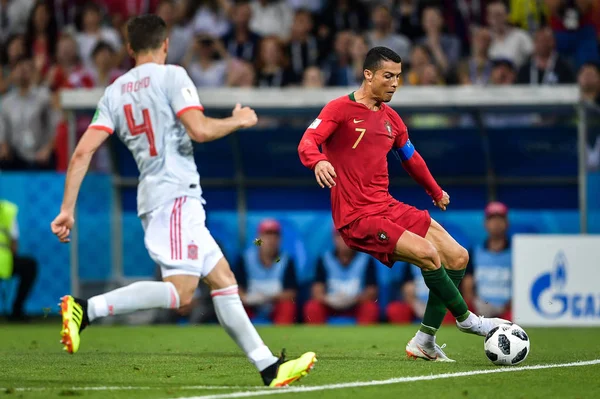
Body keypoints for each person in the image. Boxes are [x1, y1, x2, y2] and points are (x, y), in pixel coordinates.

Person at [50, 14, 315, 387]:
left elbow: (81, 153)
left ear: (129, 48)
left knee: (223, 280)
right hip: (172, 196)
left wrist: (66, 209)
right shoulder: (172, 75)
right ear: (165, 44)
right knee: (182, 292)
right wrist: (237, 120)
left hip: (167, 197)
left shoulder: (114, 91)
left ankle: (269, 367)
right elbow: (201, 129)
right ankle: (85, 309)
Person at [297, 46, 507, 362]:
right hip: (357, 216)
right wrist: (317, 162)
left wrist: (435, 191)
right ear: (367, 75)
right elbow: (307, 141)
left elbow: (411, 158)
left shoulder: (392, 119)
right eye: (388, 76)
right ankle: (469, 321)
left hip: (387, 206)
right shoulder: (338, 109)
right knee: (428, 254)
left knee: (457, 256)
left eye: (398, 76)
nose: (395, 83)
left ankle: (424, 340)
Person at [0, 199, 38, 321]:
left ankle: (17, 310)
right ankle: (17, 311)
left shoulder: (8, 211)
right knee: (29, 265)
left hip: (4, 261)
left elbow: (13, 242)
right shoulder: (7, 210)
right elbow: (14, 241)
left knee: (29, 265)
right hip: (5, 261)